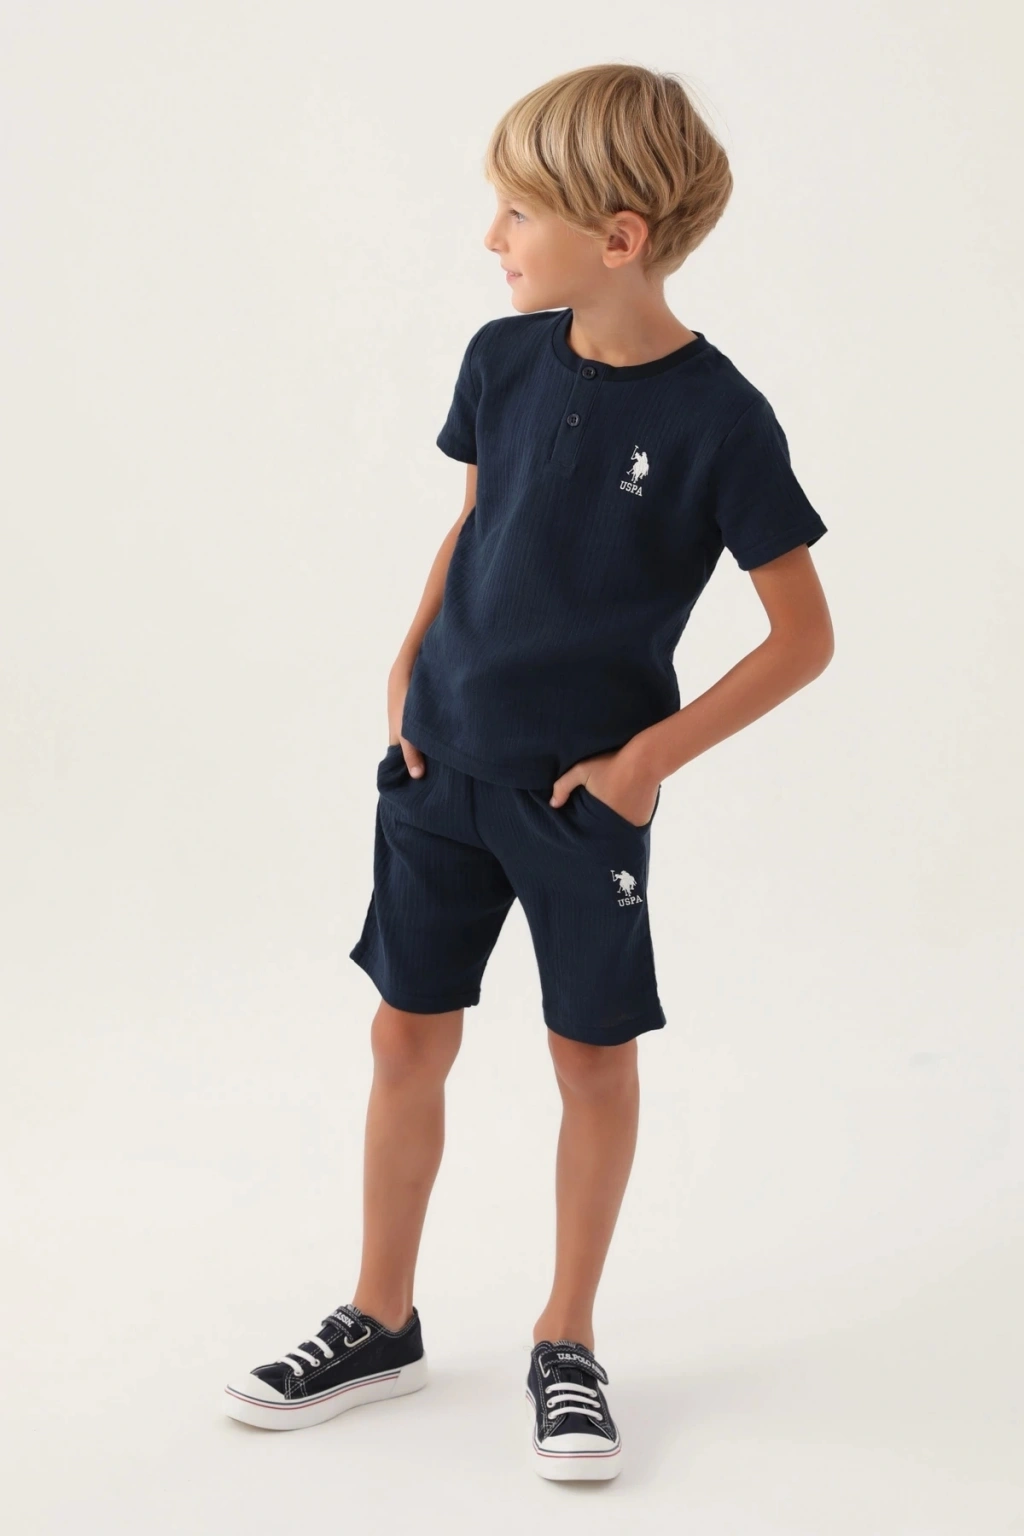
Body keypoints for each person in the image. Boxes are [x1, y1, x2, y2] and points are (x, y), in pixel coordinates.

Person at [224, 62, 834, 1482]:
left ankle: (568, 1339)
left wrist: (645, 763)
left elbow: (804, 638)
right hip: (437, 766)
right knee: (403, 1036)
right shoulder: (500, 360)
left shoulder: (722, 421)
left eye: (515, 213)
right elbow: (475, 521)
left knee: (591, 1060)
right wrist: (407, 659)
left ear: (618, 237)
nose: (489, 237)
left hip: (577, 805)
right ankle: (381, 1320)